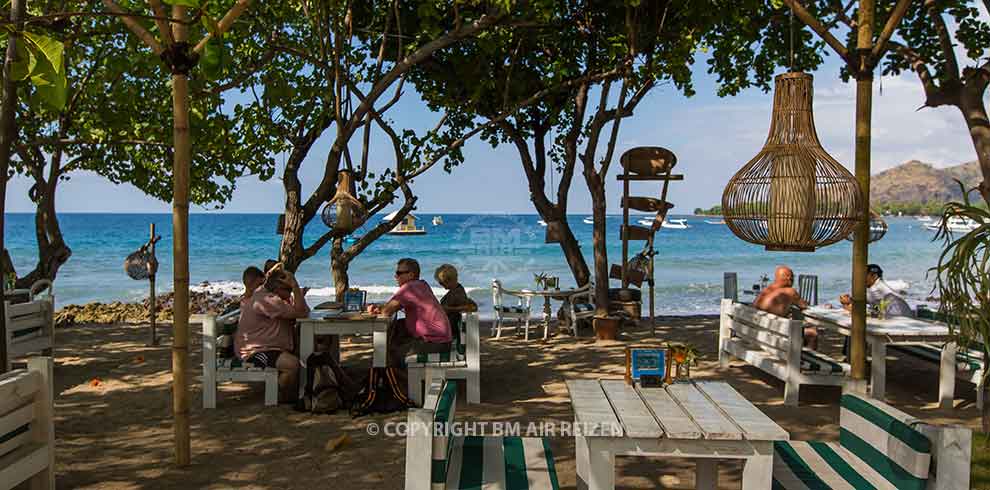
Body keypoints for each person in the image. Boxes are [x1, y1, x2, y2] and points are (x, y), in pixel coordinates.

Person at [236, 267, 310, 403]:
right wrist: (295, 286)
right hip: (255, 352)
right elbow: (302, 313)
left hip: (270, 347)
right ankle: (279, 396)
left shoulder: (273, 297)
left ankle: (292, 392)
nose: (289, 293)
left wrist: (295, 293)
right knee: (292, 365)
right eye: (287, 290)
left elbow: (305, 311)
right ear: (277, 288)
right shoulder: (267, 299)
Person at [369, 258, 452, 366]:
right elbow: (392, 306)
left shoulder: (409, 288)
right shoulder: (422, 284)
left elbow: (387, 312)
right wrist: (381, 308)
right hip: (443, 340)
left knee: (391, 353)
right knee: (397, 330)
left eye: (399, 273)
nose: (396, 276)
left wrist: (379, 309)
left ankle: (397, 381)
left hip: (435, 343)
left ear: (411, 274)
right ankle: (395, 377)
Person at [753, 265, 815, 348]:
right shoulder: (790, 291)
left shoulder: (766, 290)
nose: (793, 280)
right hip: (772, 336)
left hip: (758, 332)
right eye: (793, 277)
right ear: (789, 278)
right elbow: (804, 306)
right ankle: (801, 360)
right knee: (812, 333)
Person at [839, 264, 913, 318]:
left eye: (864, 275)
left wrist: (849, 300)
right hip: (901, 318)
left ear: (874, 276)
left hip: (899, 320)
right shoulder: (882, 287)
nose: (861, 278)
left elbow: (861, 301)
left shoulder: (877, 288)